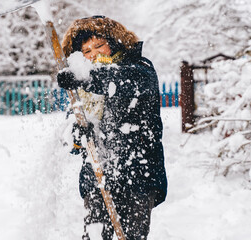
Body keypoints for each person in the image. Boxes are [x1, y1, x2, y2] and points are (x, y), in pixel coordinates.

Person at [57, 16, 167, 240]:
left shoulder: (139, 68)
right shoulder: (84, 88)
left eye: (99, 45)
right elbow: (73, 137)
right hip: (97, 179)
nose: (94, 54)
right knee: (95, 236)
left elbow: (120, 82)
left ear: (115, 42)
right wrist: (77, 134)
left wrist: (85, 76)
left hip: (138, 175)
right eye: (86, 51)